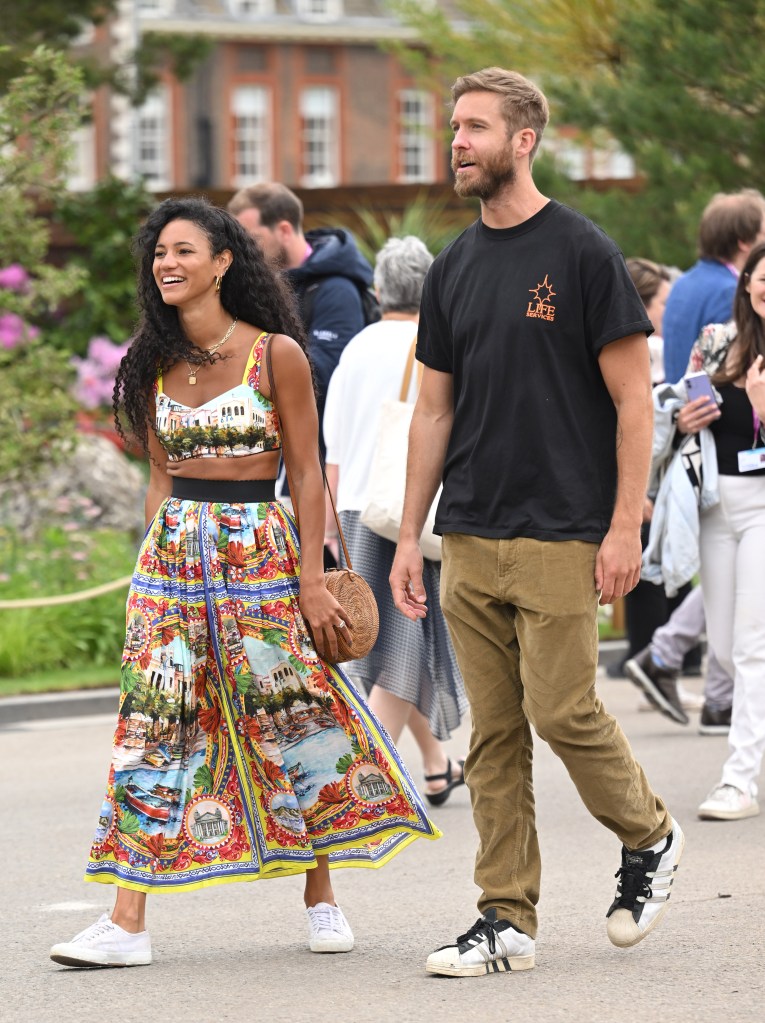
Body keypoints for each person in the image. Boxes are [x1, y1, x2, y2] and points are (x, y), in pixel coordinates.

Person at [49, 197, 440, 970]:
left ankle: (322, 897)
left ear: (222, 261)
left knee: (292, 715)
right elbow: (161, 478)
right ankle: (126, 921)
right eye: (159, 253)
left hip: (257, 550)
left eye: (183, 251)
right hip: (173, 558)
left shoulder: (276, 355)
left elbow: (303, 470)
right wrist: (145, 574)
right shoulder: (151, 361)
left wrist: (311, 579)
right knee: (152, 726)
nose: (167, 263)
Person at [389, 67, 683, 977]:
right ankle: (503, 914)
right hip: (470, 531)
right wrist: (408, 534)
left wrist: (624, 523)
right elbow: (431, 410)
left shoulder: (583, 253)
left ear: (523, 139)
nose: (457, 142)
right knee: (495, 733)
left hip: (564, 528)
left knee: (562, 709)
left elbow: (635, 403)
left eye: (475, 126)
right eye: (452, 127)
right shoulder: (454, 269)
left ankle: (649, 834)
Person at [323, 236, 468, 806]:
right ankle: (367, 768)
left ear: (378, 289)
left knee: (394, 638)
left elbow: (332, 445)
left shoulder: (356, 347)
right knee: (406, 642)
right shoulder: (431, 340)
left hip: (357, 506)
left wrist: (329, 528)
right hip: (413, 509)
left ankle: (434, 764)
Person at [672, 242, 765, 820]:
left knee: (751, 646)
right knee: (728, 652)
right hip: (713, 504)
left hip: (762, 506)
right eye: (761, 276)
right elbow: (680, 409)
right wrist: (685, 416)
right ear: (747, 283)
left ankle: (739, 778)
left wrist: (760, 405)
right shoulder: (717, 341)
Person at [227, 182, 374, 450]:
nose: (243, 252)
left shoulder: (336, 290)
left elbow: (325, 375)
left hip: (323, 457)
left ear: (283, 230)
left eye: (252, 240)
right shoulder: (261, 287)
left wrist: (245, 366)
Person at [662, 189, 765, 385]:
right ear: (744, 241)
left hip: (685, 403)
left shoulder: (682, 283)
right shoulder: (729, 291)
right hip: (715, 404)